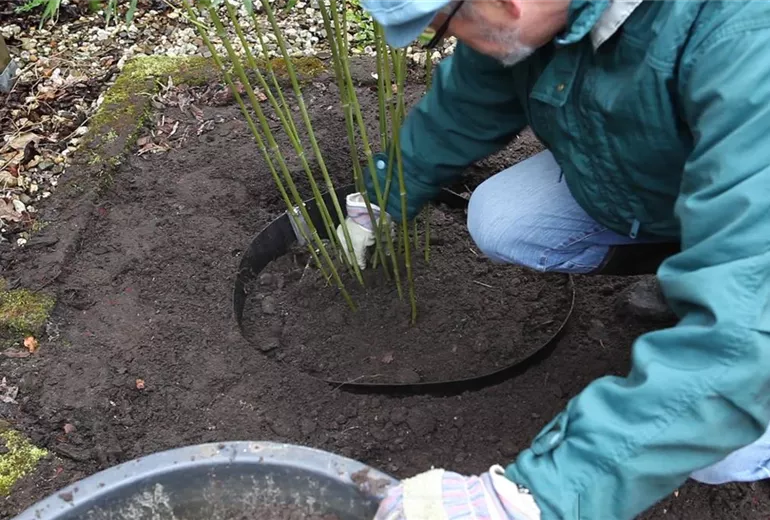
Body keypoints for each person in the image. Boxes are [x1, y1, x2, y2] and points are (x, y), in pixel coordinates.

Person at [333, 0, 770, 518]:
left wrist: (531, 499)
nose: (458, 43)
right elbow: (466, 103)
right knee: (505, 218)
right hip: (704, 192)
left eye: (444, 27)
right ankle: (693, 264)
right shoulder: (543, 17)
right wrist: (385, 197)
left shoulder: (743, 35)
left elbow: (737, 344)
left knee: (722, 449)